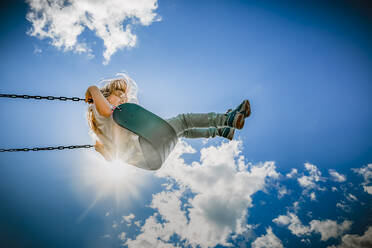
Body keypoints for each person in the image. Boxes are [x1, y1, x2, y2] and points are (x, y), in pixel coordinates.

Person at [85, 73, 251, 169]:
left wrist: (101, 149)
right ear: (105, 95)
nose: (123, 99)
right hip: (146, 145)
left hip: (148, 158)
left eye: (124, 97)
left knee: (181, 131)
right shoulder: (99, 109)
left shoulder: (104, 133)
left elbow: (112, 158)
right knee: (184, 120)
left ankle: (220, 131)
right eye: (119, 95)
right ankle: (226, 119)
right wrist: (92, 89)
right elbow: (105, 109)